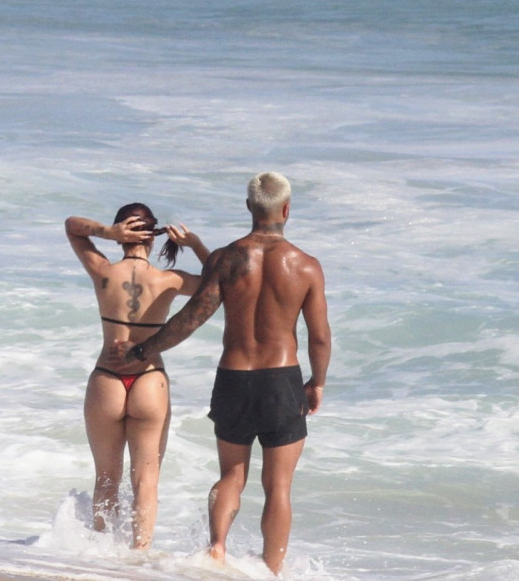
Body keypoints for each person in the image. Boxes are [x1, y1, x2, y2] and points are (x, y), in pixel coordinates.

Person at [111, 172, 332, 575]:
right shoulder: (307, 266)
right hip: (281, 381)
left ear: (249, 207)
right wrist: (317, 383)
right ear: (286, 209)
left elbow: (191, 318)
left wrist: (143, 350)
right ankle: (271, 570)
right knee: (278, 487)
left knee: (232, 474)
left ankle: (216, 548)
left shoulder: (226, 259)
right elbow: (319, 338)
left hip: (233, 377)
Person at [65, 204, 209, 550]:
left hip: (107, 378)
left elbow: (72, 227)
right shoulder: (169, 280)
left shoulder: (102, 270)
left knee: (107, 478)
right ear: (153, 234)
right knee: (146, 481)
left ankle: (100, 554)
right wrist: (195, 244)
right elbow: (222, 284)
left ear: (122, 235)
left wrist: (106, 233)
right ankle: (139, 559)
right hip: (149, 378)